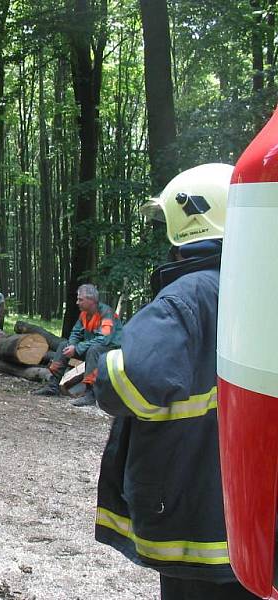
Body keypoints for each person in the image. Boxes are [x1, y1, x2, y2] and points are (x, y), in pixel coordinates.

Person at [92, 163, 258, 600]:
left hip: (196, 515)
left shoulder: (189, 295)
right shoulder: (258, 289)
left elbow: (129, 380)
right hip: (251, 522)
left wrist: (99, 357)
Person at [35, 283, 121, 407]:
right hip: (92, 346)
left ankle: (90, 393)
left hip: (111, 350)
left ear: (91, 300)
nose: (77, 302)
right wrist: (71, 345)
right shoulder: (84, 314)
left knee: (94, 350)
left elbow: (104, 339)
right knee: (64, 345)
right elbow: (76, 332)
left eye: (80, 299)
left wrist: (78, 348)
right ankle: (53, 386)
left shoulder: (107, 313)